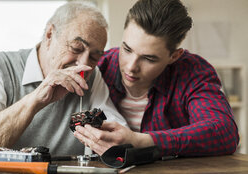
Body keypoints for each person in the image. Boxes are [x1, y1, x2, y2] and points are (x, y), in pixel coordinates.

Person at [0, 2, 127, 161]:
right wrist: (36, 99)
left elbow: (118, 135)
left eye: (94, 57)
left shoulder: (92, 76)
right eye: (76, 48)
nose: (83, 64)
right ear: (49, 35)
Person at [74, 0, 239, 158]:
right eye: (127, 49)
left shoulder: (192, 72)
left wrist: (143, 141)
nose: (131, 66)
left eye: (149, 59)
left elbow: (224, 133)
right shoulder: (99, 67)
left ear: (174, 56)